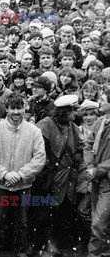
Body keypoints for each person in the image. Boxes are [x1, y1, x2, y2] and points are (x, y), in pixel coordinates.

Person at [0, 93, 45, 257]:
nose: (16, 112)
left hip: (24, 185)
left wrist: (20, 174)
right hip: (0, 185)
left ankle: (20, 250)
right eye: (13, 108)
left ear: (25, 108)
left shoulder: (34, 131)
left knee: (22, 222)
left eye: (20, 108)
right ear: (7, 109)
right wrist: (4, 174)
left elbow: (40, 158)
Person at [30, 95, 83, 256]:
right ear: (65, 111)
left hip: (66, 181)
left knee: (59, 215)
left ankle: (52, 245)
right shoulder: (45, 126)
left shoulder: (73, 127)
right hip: (47, 180)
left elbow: (78, 152)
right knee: (42, 215)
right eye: (74, 110)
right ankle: (38, 246)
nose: (76, 114)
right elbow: (38, 153)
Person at [84, 89, 110, 256]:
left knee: (98, 223)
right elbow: (88, 144)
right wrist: (90, 165)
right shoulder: (100, 122)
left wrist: (98, 170)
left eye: (103, 99)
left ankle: (93, 254)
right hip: (97, 180)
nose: (100, 102)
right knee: (99, 220)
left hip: (106, 180)